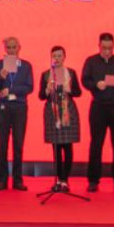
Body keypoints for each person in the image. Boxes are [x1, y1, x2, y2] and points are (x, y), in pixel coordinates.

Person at [81, 32, 114, 193]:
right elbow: (84, 80)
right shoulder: (91, 61)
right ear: (99, 46)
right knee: (96, 144)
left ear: (113, 46)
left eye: (110, 48)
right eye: (104, 48)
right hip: (98, 107)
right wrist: (96, 85)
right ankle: (93, 180)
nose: (107, 51)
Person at [39, 45, 83, 192]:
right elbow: (41, 96)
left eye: (59, 56)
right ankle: (58, 179)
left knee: (68, 146)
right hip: (52, 111)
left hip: (68, 110)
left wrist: (69, 89)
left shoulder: (70, 73)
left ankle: (65, 180)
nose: (57, 58)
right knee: (56, 147)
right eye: (54, 56)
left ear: (64, 57)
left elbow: (78, 92)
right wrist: (46, 90)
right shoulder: (46, 74)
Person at [0, 36, 34, 191]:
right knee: (2, 144)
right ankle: (1, 180)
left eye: (13, 47)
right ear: (5, 49)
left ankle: (17, 180)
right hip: (3, 106)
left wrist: (11, 90)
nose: (11, 50)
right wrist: (1, 77)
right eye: (8, 47)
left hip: (19, 106)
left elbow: (29, 87)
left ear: (19, 47)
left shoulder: (26, 66)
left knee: (18, 144)